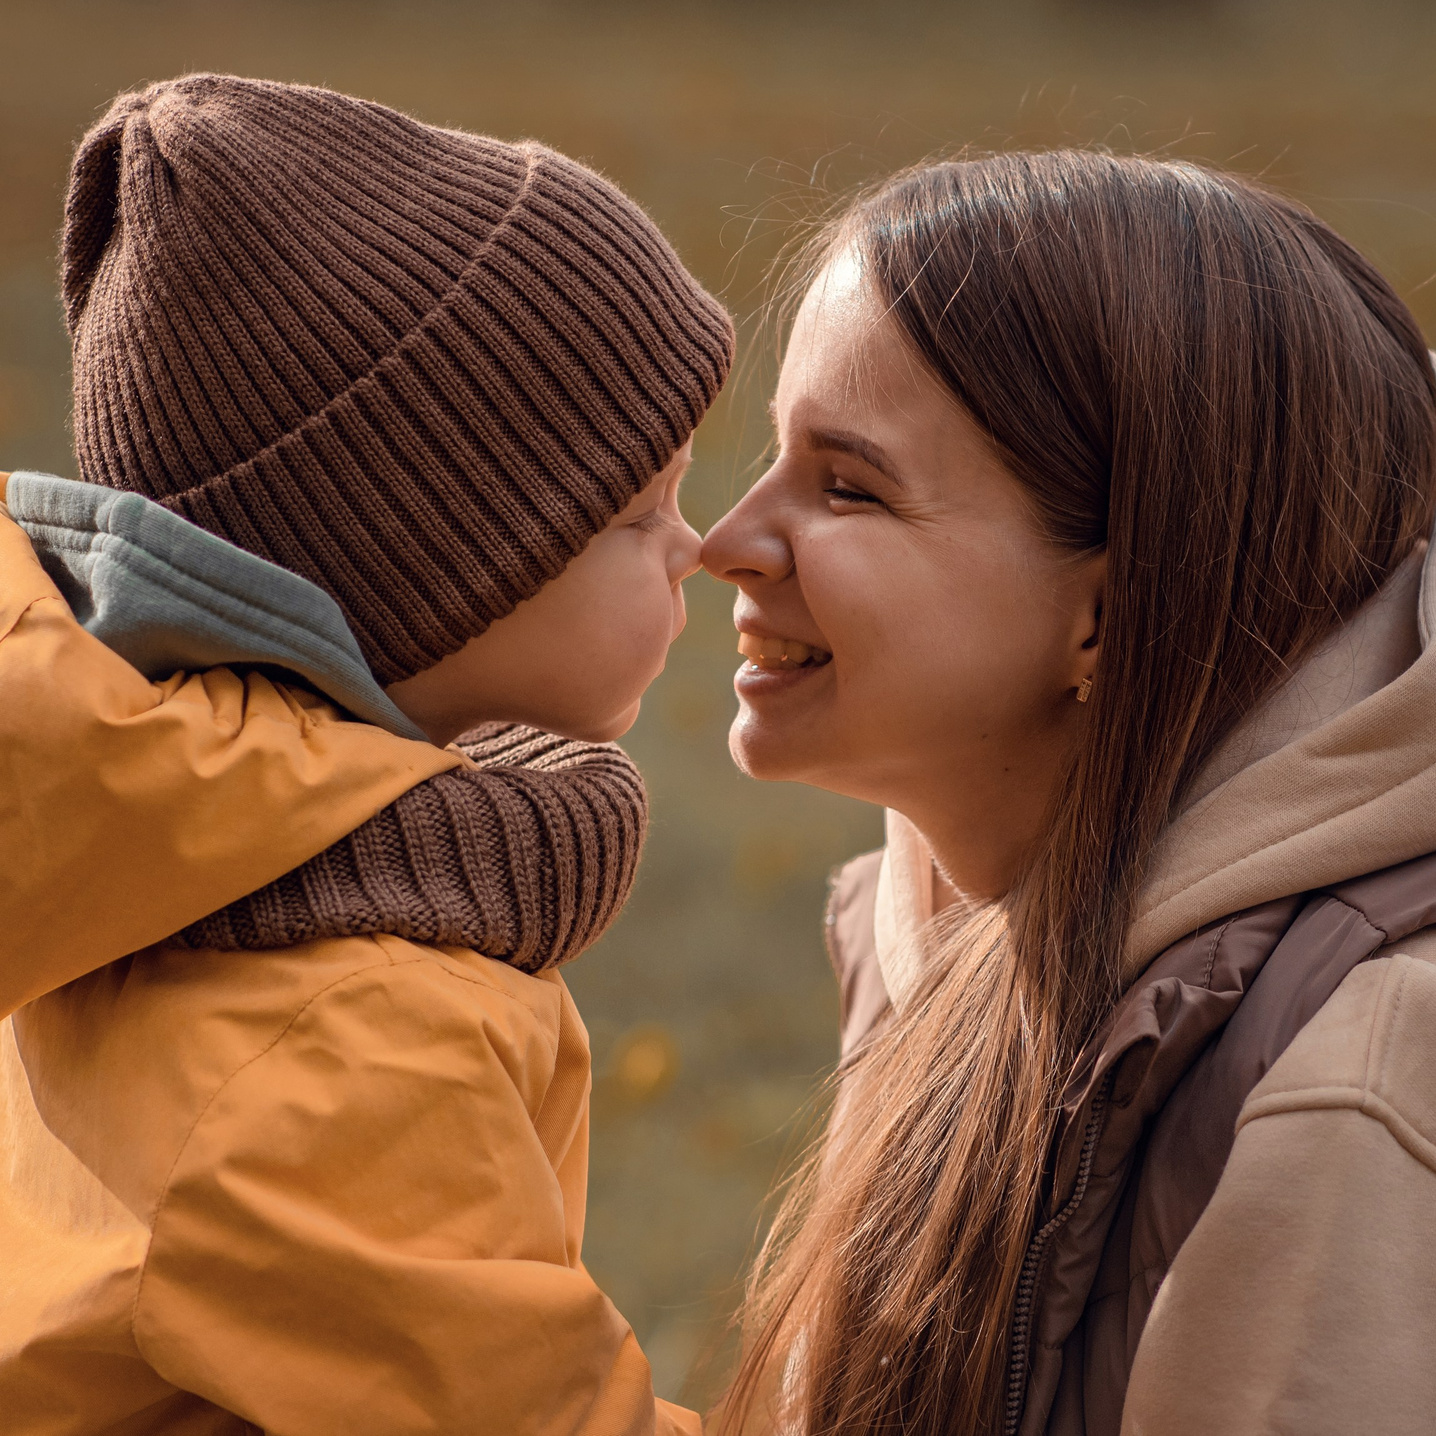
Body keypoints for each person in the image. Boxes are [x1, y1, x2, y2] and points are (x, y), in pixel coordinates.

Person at [0, 74, 732, 1435]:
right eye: (640, 513)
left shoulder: (176, 864)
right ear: (448, 577)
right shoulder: (340, 1030)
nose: (698, 546)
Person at [702, 150, 1436, 1435]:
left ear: (1105, 615)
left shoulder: (1351, 1079)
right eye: (776, 457)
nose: (726, 540)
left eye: (847, 485)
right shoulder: (937, 938)